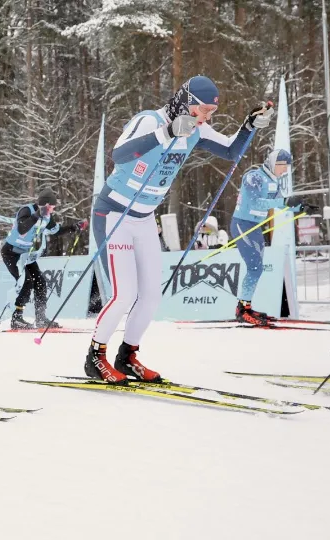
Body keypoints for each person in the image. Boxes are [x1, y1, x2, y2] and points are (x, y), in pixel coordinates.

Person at [86, 75, 272, 382]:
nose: (207, 118)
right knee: (124, 294)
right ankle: (95, 357)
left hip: (145, 218)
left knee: (150, 296)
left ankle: (127, 356)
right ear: (186, 103)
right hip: (114, 215)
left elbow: (230, 151)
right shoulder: (149, 121)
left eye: (211, 113)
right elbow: (118, 154)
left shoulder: (196, 130)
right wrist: (166, 133)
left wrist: (248, 127)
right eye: (204, 111)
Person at [231, 149, 316, 325]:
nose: (284, 170)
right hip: (242, 225)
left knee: (257, 268)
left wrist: (300, 207)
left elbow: (280, 203)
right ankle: (242, 309)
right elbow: (255, 202)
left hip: (255, 227)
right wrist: (283, 202)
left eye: (286, 166)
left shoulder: (273, 181)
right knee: (255, 268)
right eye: (282, 166)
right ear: (272, 163)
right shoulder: (253, 176)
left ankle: (246, 307)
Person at [1, 187, 84, 329]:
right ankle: (17, 318)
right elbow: (22, 229)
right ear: (45, 205)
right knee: (26, 281)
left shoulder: (47, 217)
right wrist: (37, 215)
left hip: (26, 255)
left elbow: (56, 231)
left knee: (40, 281)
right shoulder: (26, 210)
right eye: (51, 206)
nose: (53, 209)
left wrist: (74, 227)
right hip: (12, 254)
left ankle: (41, 317)